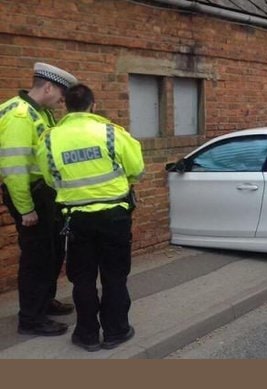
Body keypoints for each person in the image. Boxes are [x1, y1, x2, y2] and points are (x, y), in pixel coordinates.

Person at [36, 84, 144, 351]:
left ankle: (86, 335)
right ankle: (115, 332)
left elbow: (50, 179)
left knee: (82, 278)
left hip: (76, 220)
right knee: (114, 276)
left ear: (66, 107)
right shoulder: (112, 132)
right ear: (92, 105)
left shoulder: (49, 139)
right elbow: (137, 169)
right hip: (114, 216)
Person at [0, 62, 77, 336]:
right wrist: (26, 209)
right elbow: (14, 168)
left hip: (45, 194)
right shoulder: (21, 116)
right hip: (30, 195)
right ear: (48, 87)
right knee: (36, 258)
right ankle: (31, 319)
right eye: (60, 95)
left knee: (53, 250)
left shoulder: (40, 112)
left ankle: (45, 301)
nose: (61, 102)